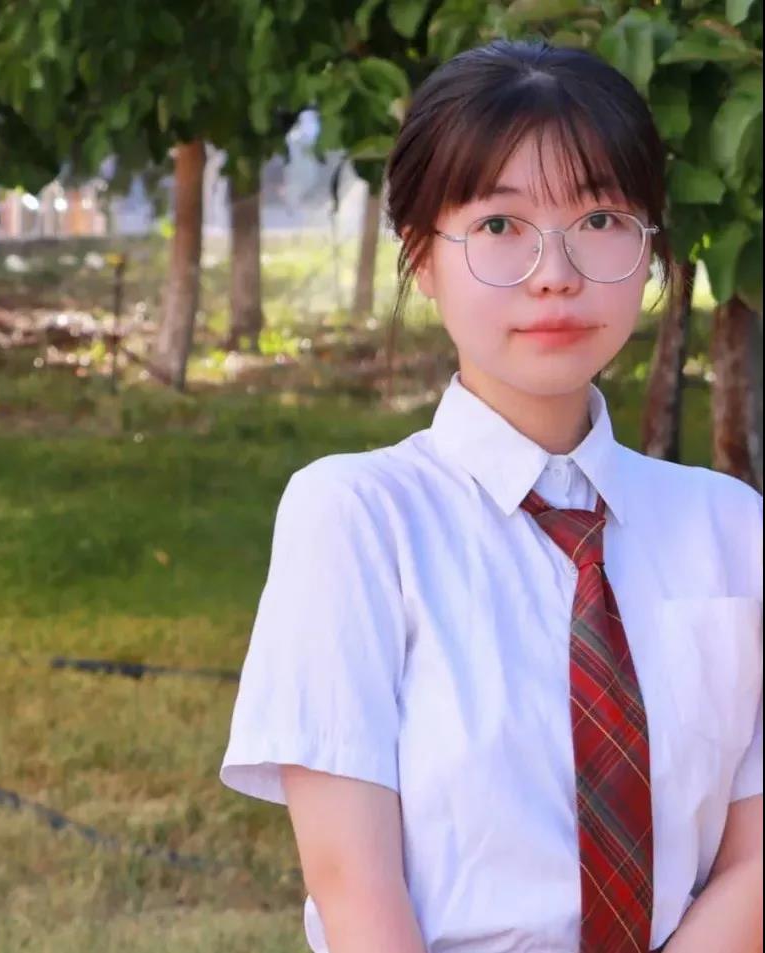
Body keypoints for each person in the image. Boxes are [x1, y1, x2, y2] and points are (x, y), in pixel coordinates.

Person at [219, 39, 763, 953]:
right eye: (501, 225)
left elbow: (755, 864)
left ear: (650, 249)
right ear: (422, 256)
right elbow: (356, 892)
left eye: (600, 218)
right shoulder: (357, 519)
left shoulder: (732, 527)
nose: (555, 272)